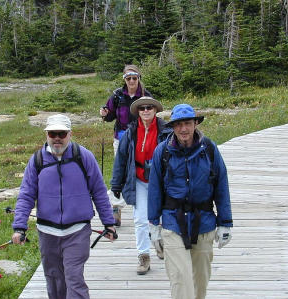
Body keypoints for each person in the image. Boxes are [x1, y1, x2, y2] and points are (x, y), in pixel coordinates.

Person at [11, 114, 116, 299]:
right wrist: (19, 227)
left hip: (77, 230)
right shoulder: (37, 161)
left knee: (74, 278)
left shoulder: (84, 157)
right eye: (53, 133)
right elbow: (26, 195)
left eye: (62, 133)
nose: (57, 138)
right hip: (47, 232)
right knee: (54, 280)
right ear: (46, 135)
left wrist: (109, 223)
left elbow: (99, 192)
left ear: (70, 134)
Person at [148, 104, 233, 299]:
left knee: (199, 281)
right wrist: (153, 224)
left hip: (204, 221)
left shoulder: (209, 149)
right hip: (172, 222)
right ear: (173, 127)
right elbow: (154, 189)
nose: (183, 129)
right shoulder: (163, 152)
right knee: (180, 279)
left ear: (195, 123)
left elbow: (221, 185)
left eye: (187, 123)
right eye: (178, 125)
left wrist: (225, 223)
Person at [110, 96, 172, 275]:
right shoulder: (130, 132)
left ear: (155, 110)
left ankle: (159, 241)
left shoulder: (166, 130)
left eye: (149, 107)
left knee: (163, 216)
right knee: (139, 218)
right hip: (138, 179)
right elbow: (121, 159)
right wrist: (116, 184)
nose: (146, 110)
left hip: (160, 180)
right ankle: (144, 256)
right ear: (138, 111)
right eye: (142, 108)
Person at [99, 64, 153, 227]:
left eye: (134, 78)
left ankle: (149, 208)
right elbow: (110, 117)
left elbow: (151, 116)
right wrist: (104, 113)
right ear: (124, 79)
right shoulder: (117, 95)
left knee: (145, 170)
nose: (131, 81)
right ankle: (116, 208)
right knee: (119, 172)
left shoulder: (145, 96)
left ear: (138, 78)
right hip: (121, 138)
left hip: (141, 139)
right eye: (128, 78)